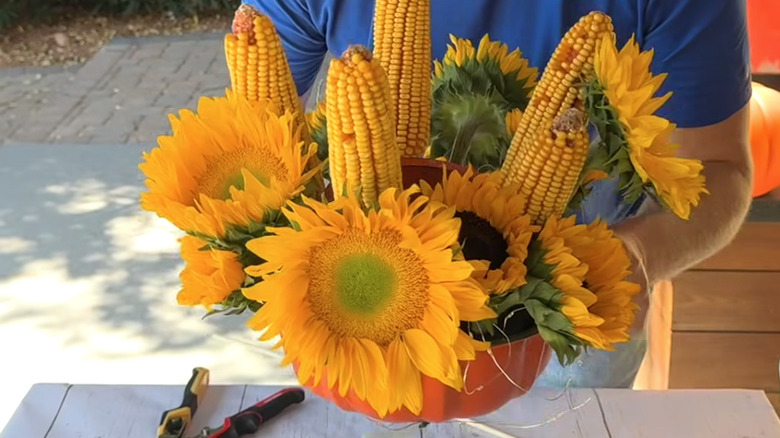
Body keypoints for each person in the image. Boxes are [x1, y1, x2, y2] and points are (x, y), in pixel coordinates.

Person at [242, 0, 754, 389]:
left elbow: (722, 170)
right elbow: (256, 136)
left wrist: (640, 251)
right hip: (366, 318)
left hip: (565, 320)